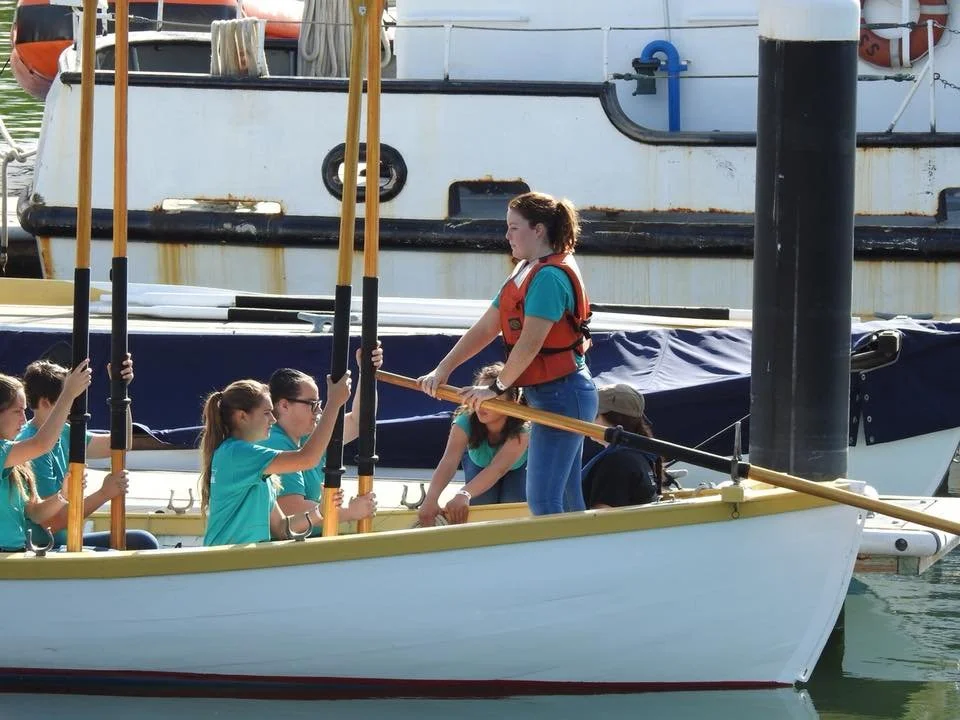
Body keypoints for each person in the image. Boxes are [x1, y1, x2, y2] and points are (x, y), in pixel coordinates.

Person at [418, 191, 598, 516]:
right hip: (554, 393)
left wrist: (496, 388)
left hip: (563, 395)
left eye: (514, 228)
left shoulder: (548, 277)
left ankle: (563, 550)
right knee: (566, 499)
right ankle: (580, 547)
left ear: (538, 230)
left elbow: (530, 344)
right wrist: (442, 369)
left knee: (543, 500)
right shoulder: (526, 270)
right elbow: (487, 328)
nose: (507, 235)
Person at [199, 371, 359, 546]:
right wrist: (334, 403)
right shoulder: (236, 453)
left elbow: (282, 528)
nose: (273, 419)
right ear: (242, 416)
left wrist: (320, 512)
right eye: (267, 413)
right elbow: (307, 459)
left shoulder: (254, 465)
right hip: (226, 560)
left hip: (242, 559)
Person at [16, 356, 159, 550]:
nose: (74, 406)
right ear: (45, 402)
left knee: (142, 541)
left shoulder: (65, 431)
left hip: (68, 541)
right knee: (143, 543)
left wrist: (120, 389)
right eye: (69, 397)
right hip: (46, 547)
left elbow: (121, 443)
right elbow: (52, 523)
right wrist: (104, 493)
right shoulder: (31, 448)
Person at [263, 347, 380, 536]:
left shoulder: (308, 435)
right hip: (292, 547)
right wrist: (350, 512)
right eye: (312, 404)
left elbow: (359, 422)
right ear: (284, 405)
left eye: (319, 404)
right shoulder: (274, 443)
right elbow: (292, 512)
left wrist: (367, 372)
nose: (318, 411)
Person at [418, 362, 529, 526]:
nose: (480, 404)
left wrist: (464, 494)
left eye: (490, 397)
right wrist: (430, 499)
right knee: (479, 509)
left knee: (512, 507)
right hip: (480, 463)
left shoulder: (522, 430)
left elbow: (498, 469)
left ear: (512, 402)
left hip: (518, 467)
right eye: (477, 395)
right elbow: (449, 461)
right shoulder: (465, 420)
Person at [0, 363, 93, 553]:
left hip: (17, 555)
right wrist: (68, 394)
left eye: (24, 411)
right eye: (17, 411)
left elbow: (35, 513)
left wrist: (63, 495)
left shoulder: (15, 458)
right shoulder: (7, 452)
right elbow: (41, 444)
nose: (23, 420)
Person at [582, 384, 664, 509]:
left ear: (614, 418)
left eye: (592, 414)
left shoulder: (617, 461)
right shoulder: (640, 455)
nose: (586, 420)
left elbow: (603, 514)